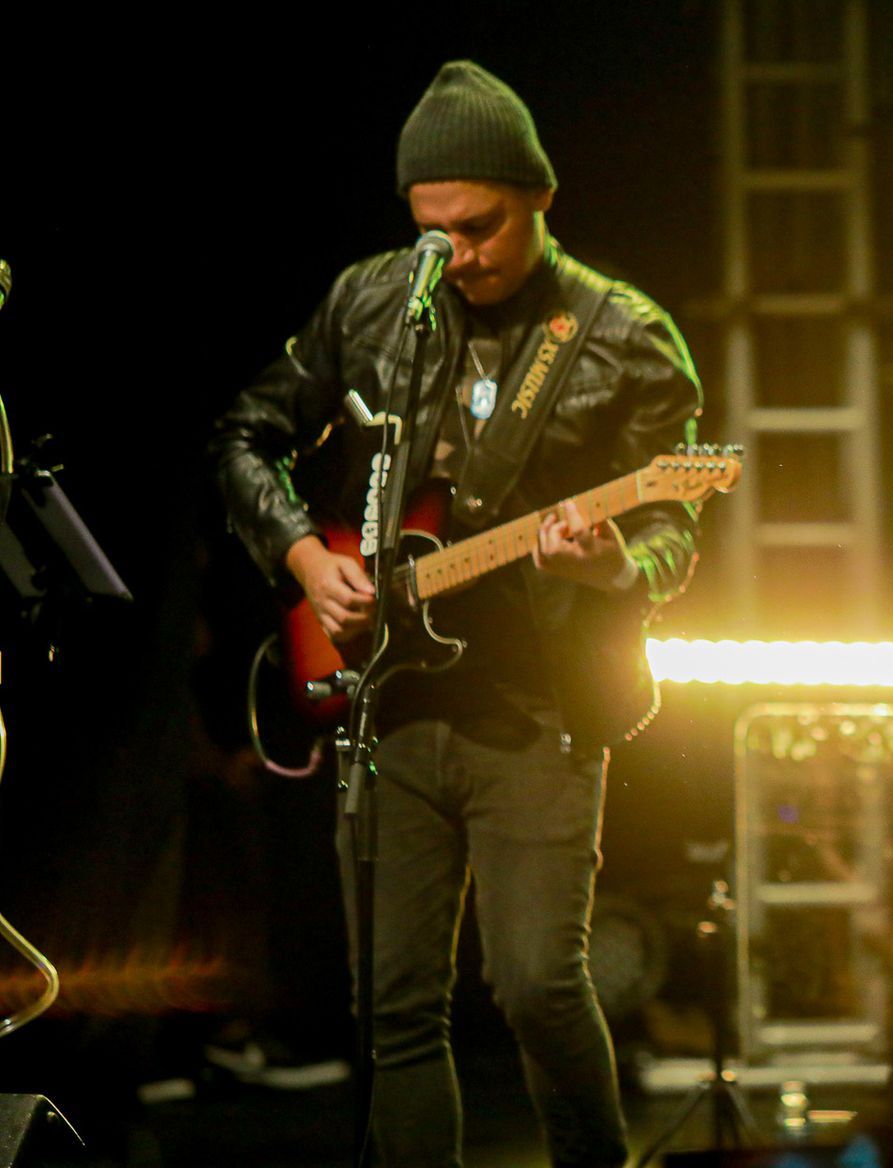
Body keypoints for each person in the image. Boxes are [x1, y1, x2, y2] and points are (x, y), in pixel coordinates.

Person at [211, 60, 703, 1166]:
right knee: (393, 1011)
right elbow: (243, 434)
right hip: (383, 702)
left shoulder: (621, 334)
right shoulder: (376, 298)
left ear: (539, 197)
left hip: (541, 706)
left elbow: (678, 526)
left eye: (479, 228)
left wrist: (617, 566)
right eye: (433, 231)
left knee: (534, 982)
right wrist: (301, 555)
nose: (458, 256)